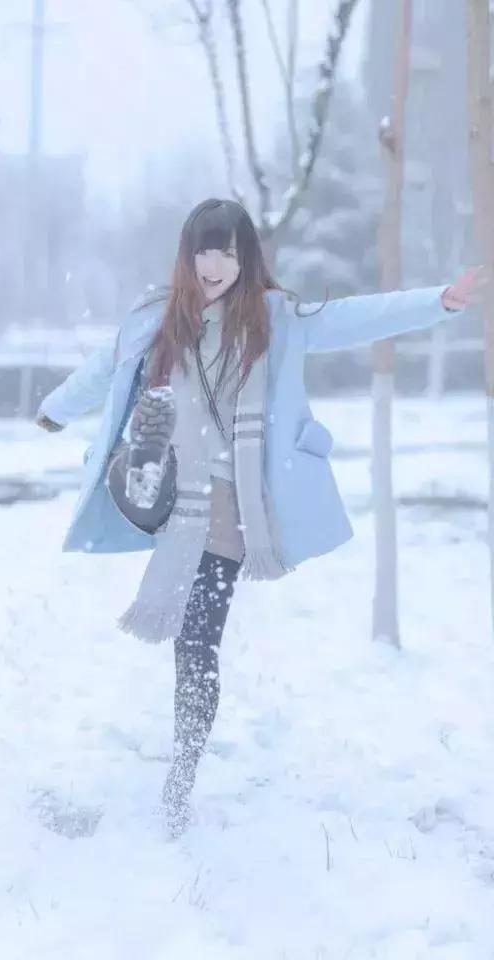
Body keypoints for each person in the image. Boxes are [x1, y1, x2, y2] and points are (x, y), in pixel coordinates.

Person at [37, 198, 487, 838]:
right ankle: (181, 767)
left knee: (197, 642)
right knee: (190, 639)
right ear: (187, 254)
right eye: (203, 249)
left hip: (230, 507)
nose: (213, 264)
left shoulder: (273, 318)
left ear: (245, 257)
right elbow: (102, 369)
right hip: (171, 495)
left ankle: (181, 776)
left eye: (226, 251)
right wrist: (55, 410)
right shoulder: (156, 317)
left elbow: (356, 317)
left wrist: (440, 300)